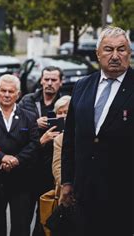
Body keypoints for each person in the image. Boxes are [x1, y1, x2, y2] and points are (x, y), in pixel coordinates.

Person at [61, 26, 133, 236]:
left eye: (121, 49)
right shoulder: (83, 86)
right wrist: (67, 181)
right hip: (84, 193)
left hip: (123, 196)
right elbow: (70, 139)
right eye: (109, 49)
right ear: (98, 54)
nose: (115, 56)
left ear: (129, 53)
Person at [0, 74, 39, 236]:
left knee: (21, 227)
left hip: (21, 181)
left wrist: (16, 160)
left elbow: (34, 144)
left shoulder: (29, 117)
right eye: (3, 90)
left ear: (18, 94)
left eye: (11, 91)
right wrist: (2, 157)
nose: (7, 95)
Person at [18, 66, 63, 236]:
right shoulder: (28, 100)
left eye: (54, 80)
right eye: (46, 79)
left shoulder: (65, 103)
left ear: (60, 82)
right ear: (41, 80)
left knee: (44, 220)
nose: (49, 83)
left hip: (50, 173)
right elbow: (17, 130)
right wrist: (34, 124)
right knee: (22, 218)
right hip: (28, 170)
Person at [51, 95, 71, 199]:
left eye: (66, 112)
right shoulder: (58, 138)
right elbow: (57, 168)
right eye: (59, 113)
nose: (63, 116)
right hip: (63, 188)